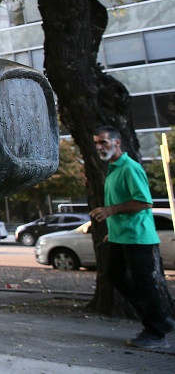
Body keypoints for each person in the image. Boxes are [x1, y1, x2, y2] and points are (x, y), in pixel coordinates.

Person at [90, 126, 175, 349]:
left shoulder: (129, 167)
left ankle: (156, 332)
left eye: (104, 143)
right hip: (120, 236)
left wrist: (111, 210)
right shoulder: (113, 168)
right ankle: (161, 317)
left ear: (117, 143)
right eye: (97, 143)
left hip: (138, 237)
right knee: (115, 275)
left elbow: (145, 202)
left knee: (145, 284)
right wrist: (113, 231)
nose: (99, 147)